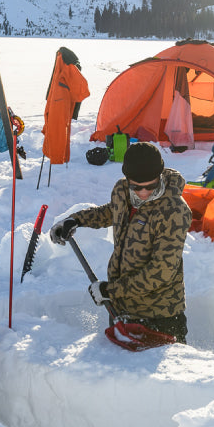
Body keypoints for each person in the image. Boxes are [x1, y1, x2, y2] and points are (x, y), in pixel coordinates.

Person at [50, 142, 192, 343]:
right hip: (122, 308)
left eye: (150, 186)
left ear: (160, 176)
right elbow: (112, 211)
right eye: (136, 187)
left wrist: (110, 290)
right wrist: (77, 219)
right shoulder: (122, 191)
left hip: (160, 314)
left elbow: (161, 272)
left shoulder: (174, 211)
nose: (143, 193)